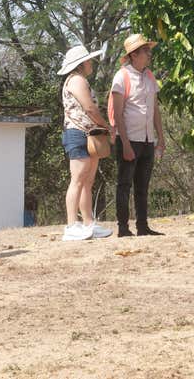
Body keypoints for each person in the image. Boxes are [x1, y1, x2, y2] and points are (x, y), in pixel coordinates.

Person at [110, 34, 165, 237]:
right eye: (145, 50)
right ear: (134, 55)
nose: (149, 54)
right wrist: (124, 143)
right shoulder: (121, 77)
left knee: (143, 185)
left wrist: (161, 136)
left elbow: (155, 110)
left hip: (147, 138)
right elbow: (117, 113)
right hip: (129, 138)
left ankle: (143, 226)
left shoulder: (149, 76)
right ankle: (123, 227)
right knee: (124, 184)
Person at [57, 45, 113, 241]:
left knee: (87, 181)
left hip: (89, 134)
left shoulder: (79, 80)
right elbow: (89, 108)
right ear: (82, 64)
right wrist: (107, 126)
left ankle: (89, 223)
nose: (91, 64)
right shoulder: (77, 80)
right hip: (78, 133)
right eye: (88, 61)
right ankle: (72, 225)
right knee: (78, 179)